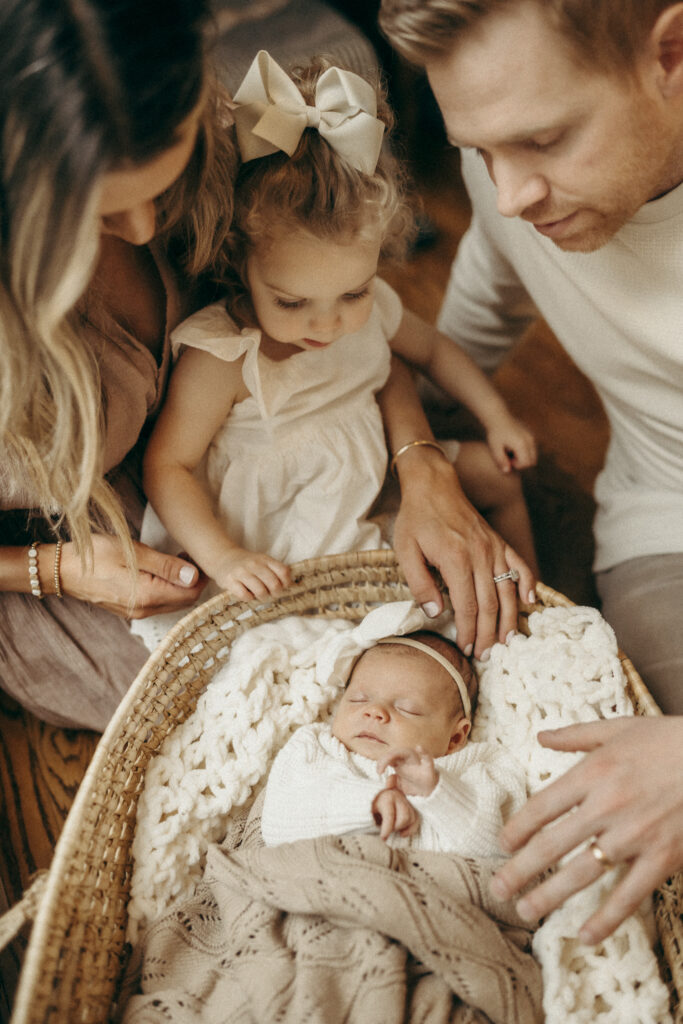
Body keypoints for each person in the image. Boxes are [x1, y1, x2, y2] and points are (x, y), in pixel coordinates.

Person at [378, 0, 683, 939]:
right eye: (478, 152)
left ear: (670, 54)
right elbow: (470, 308)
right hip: (663, 525)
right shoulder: (511, 186)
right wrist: (416, 460)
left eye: (542, 140)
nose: (508, 195)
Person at [139, 50, 538, 628]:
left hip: (370, 473)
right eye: (292, 303)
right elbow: (168, 467)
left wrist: (496, 415)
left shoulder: (376, 310)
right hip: (287, 525)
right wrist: (224, 558)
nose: (327, 325)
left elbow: (435, 351)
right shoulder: (223, 356)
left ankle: (533, 605)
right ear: (238, 260)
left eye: (354, 293)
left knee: (497, 478)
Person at [0, 0, 240, 730]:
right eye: (99, 214)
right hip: (48, 557)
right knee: (218, 701)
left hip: (206, 455)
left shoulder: (201, 124)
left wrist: (416, 455)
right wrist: (59, 570)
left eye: (160, 186)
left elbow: (346, 313)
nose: (143, 231)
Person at [261, 630, 527, 852]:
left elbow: (501, 854)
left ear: (455, 738)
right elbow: (277, 822)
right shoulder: (316, 748)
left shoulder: (480, 769)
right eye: (359, 699)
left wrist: (441, 795)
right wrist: (369, 805)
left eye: (407, 709)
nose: (374, 711)